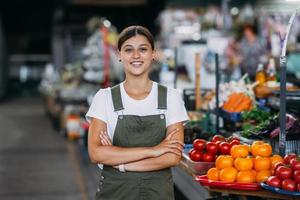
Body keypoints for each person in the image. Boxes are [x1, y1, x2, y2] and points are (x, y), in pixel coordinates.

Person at [86, 25, 189, 200]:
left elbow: (173, 156)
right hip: (115, 193)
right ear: (119, 55)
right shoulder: (104, 98)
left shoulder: (171, 97)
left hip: (158, 194)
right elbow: (96, 153)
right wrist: (154, 150)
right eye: (128, 50)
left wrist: (120, 163)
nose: (136, 56)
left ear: (153, 54)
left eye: (143, 49)